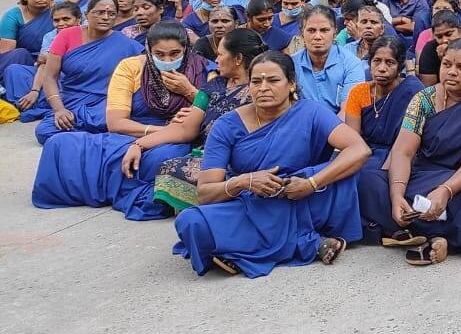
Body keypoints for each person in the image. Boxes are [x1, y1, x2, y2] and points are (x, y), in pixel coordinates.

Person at [172, 51, 371, 277]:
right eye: (256, 81)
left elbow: (359, 149)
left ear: (292, 84)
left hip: (304, 197)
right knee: (190, 221)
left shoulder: (311, 112)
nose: (263, 87)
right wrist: (244, 182)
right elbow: (206, 193)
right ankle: (304, 242)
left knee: (343, 172)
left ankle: (245, 250)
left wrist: (312, 183)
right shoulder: (226, 125)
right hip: (254, 203)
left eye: (273, 80)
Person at [359, 38, 461, 265]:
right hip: (422, 176)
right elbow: (403, 152)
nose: (452, 72)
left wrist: (445, 191)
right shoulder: (424, 99)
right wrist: (396, 196)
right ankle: (440, 235)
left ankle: (419, 233)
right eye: (446, 65)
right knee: (368, 179)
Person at [31, 22, 209, 220]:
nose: (167, 60)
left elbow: (218, 109)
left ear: (186, 48)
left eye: (175, 54)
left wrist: (188, 91)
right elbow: (116, 123)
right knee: (59, 144)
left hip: (177, 139)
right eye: (160, 55)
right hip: (134, 131)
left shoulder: (203, 69)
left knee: (163, 158)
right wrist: (159, 130)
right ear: (149, 50)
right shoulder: (131, 67)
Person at [153, 30, 267, 212]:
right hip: (212, 153)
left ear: (237, 59)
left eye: (221, 54)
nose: (217, 59)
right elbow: (186, 129)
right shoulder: (214, 85)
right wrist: (139, 144)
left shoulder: (263, 90)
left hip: (246, 156)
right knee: (169, 167)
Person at [32, 0, 145, 144]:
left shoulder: (126, 43)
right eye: (99, 12)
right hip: (73, 102)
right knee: (44, 131)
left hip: (107, 103)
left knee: (111, 118)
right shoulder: (66, 36)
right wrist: (59, 110)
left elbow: (148, 69)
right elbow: (50, 77)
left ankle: (93, 134)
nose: (105, 17)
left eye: (111, 14)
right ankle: (102, 135)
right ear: (86, 14)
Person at [344, 35, 424, 166]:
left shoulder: (413, 91)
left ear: (399, 67)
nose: (381, 68)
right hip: (365, 154)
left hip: (402, 156)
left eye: (390, 62)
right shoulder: (359, 92)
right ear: (369, 64)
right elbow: (353, 141)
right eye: (376, 61)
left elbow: (413, 143)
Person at [291, 5, 366, 113]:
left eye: (324, 30)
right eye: (311, 30)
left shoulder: (351, 63)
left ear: (334, 33)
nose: (317, 36)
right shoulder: (292, 64)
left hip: (340, 126)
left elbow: (348, 111)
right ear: (302, 33)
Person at [0, 0, 55, 71]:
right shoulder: (13, 16)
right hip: (19, 61)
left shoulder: (60, 13)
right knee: (20, 54)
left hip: (51, 60)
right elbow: (6, 53)